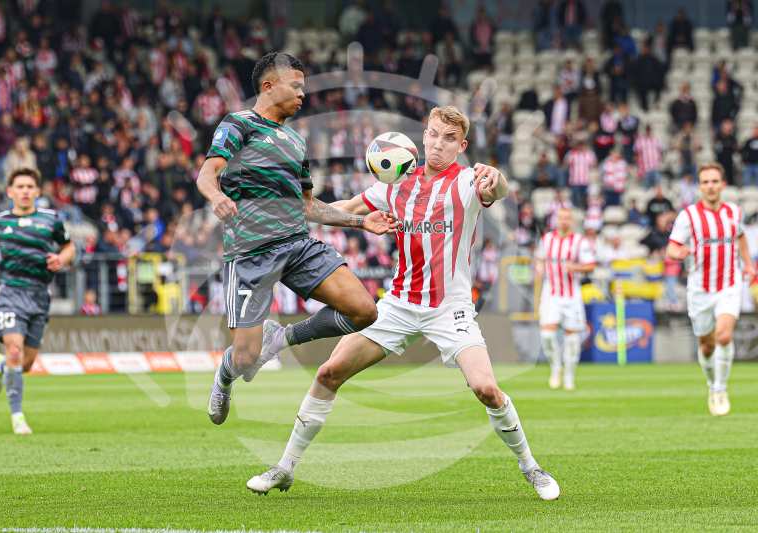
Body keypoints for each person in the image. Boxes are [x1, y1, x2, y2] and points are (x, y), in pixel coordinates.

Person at [246, 106, 561, 501]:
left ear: (461, 146)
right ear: (423, 136)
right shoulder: (395, 179)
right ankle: (284, 468)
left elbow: (495, 192)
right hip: (398, 304)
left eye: (449, 139)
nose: (438, 144)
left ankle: (531, 467)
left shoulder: (466, 182)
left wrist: (498, 180)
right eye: (433, 134)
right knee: (329, 372)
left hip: (451, 307)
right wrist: (293, 215)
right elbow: (344, 208)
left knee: (486, 389)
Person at [195, 52, 401, 426]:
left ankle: (283, 338)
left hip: (297, 244)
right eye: (297, 86)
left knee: (364, 310)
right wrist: (217, 196)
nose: (303, 94)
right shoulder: (239, 124)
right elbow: (207, 173)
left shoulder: (295, 141)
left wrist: (360, 222)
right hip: (251, 253)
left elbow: (309, 206)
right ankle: (224, 375)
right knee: (244, 359)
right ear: (269, 86)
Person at [0, 167, 76, 435]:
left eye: (29, 187)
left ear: (37, 191)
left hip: (39, 295)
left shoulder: (51, 220)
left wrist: (61, 259)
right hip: (10, 292)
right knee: (13, 350)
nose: (24, 191)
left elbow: (69, 247)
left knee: (26, 364)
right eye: (19, 187)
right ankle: (18, 416)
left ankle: (0, 367)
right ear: (10, 192)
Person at [666, 163, 754, 416]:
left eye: (715, 181)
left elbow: (740, 237)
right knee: (706, 345)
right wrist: (679, 253)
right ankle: (710, 382)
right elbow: (672, 247)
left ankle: (719, 387)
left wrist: (748, 265)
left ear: (723, 185)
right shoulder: (689, 216)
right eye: (705, 182)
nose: (710, 186)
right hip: (700, 289)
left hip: (729, 283)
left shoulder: (734, 212)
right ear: (699, 186)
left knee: (724, 336)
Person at [536, 208, 596, 391]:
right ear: (556, 220)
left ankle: (569, 375)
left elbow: (590, 265)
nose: (564, 221)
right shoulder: (547, 239)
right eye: (561, 218)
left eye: (567, 218)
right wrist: (539, 269)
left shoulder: (579, 241)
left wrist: (575, 268)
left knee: (572, 339)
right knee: (546, 335)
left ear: (571, 221)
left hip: (571, 295)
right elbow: (539, 260)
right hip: (551, 293)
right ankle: (556, 367)